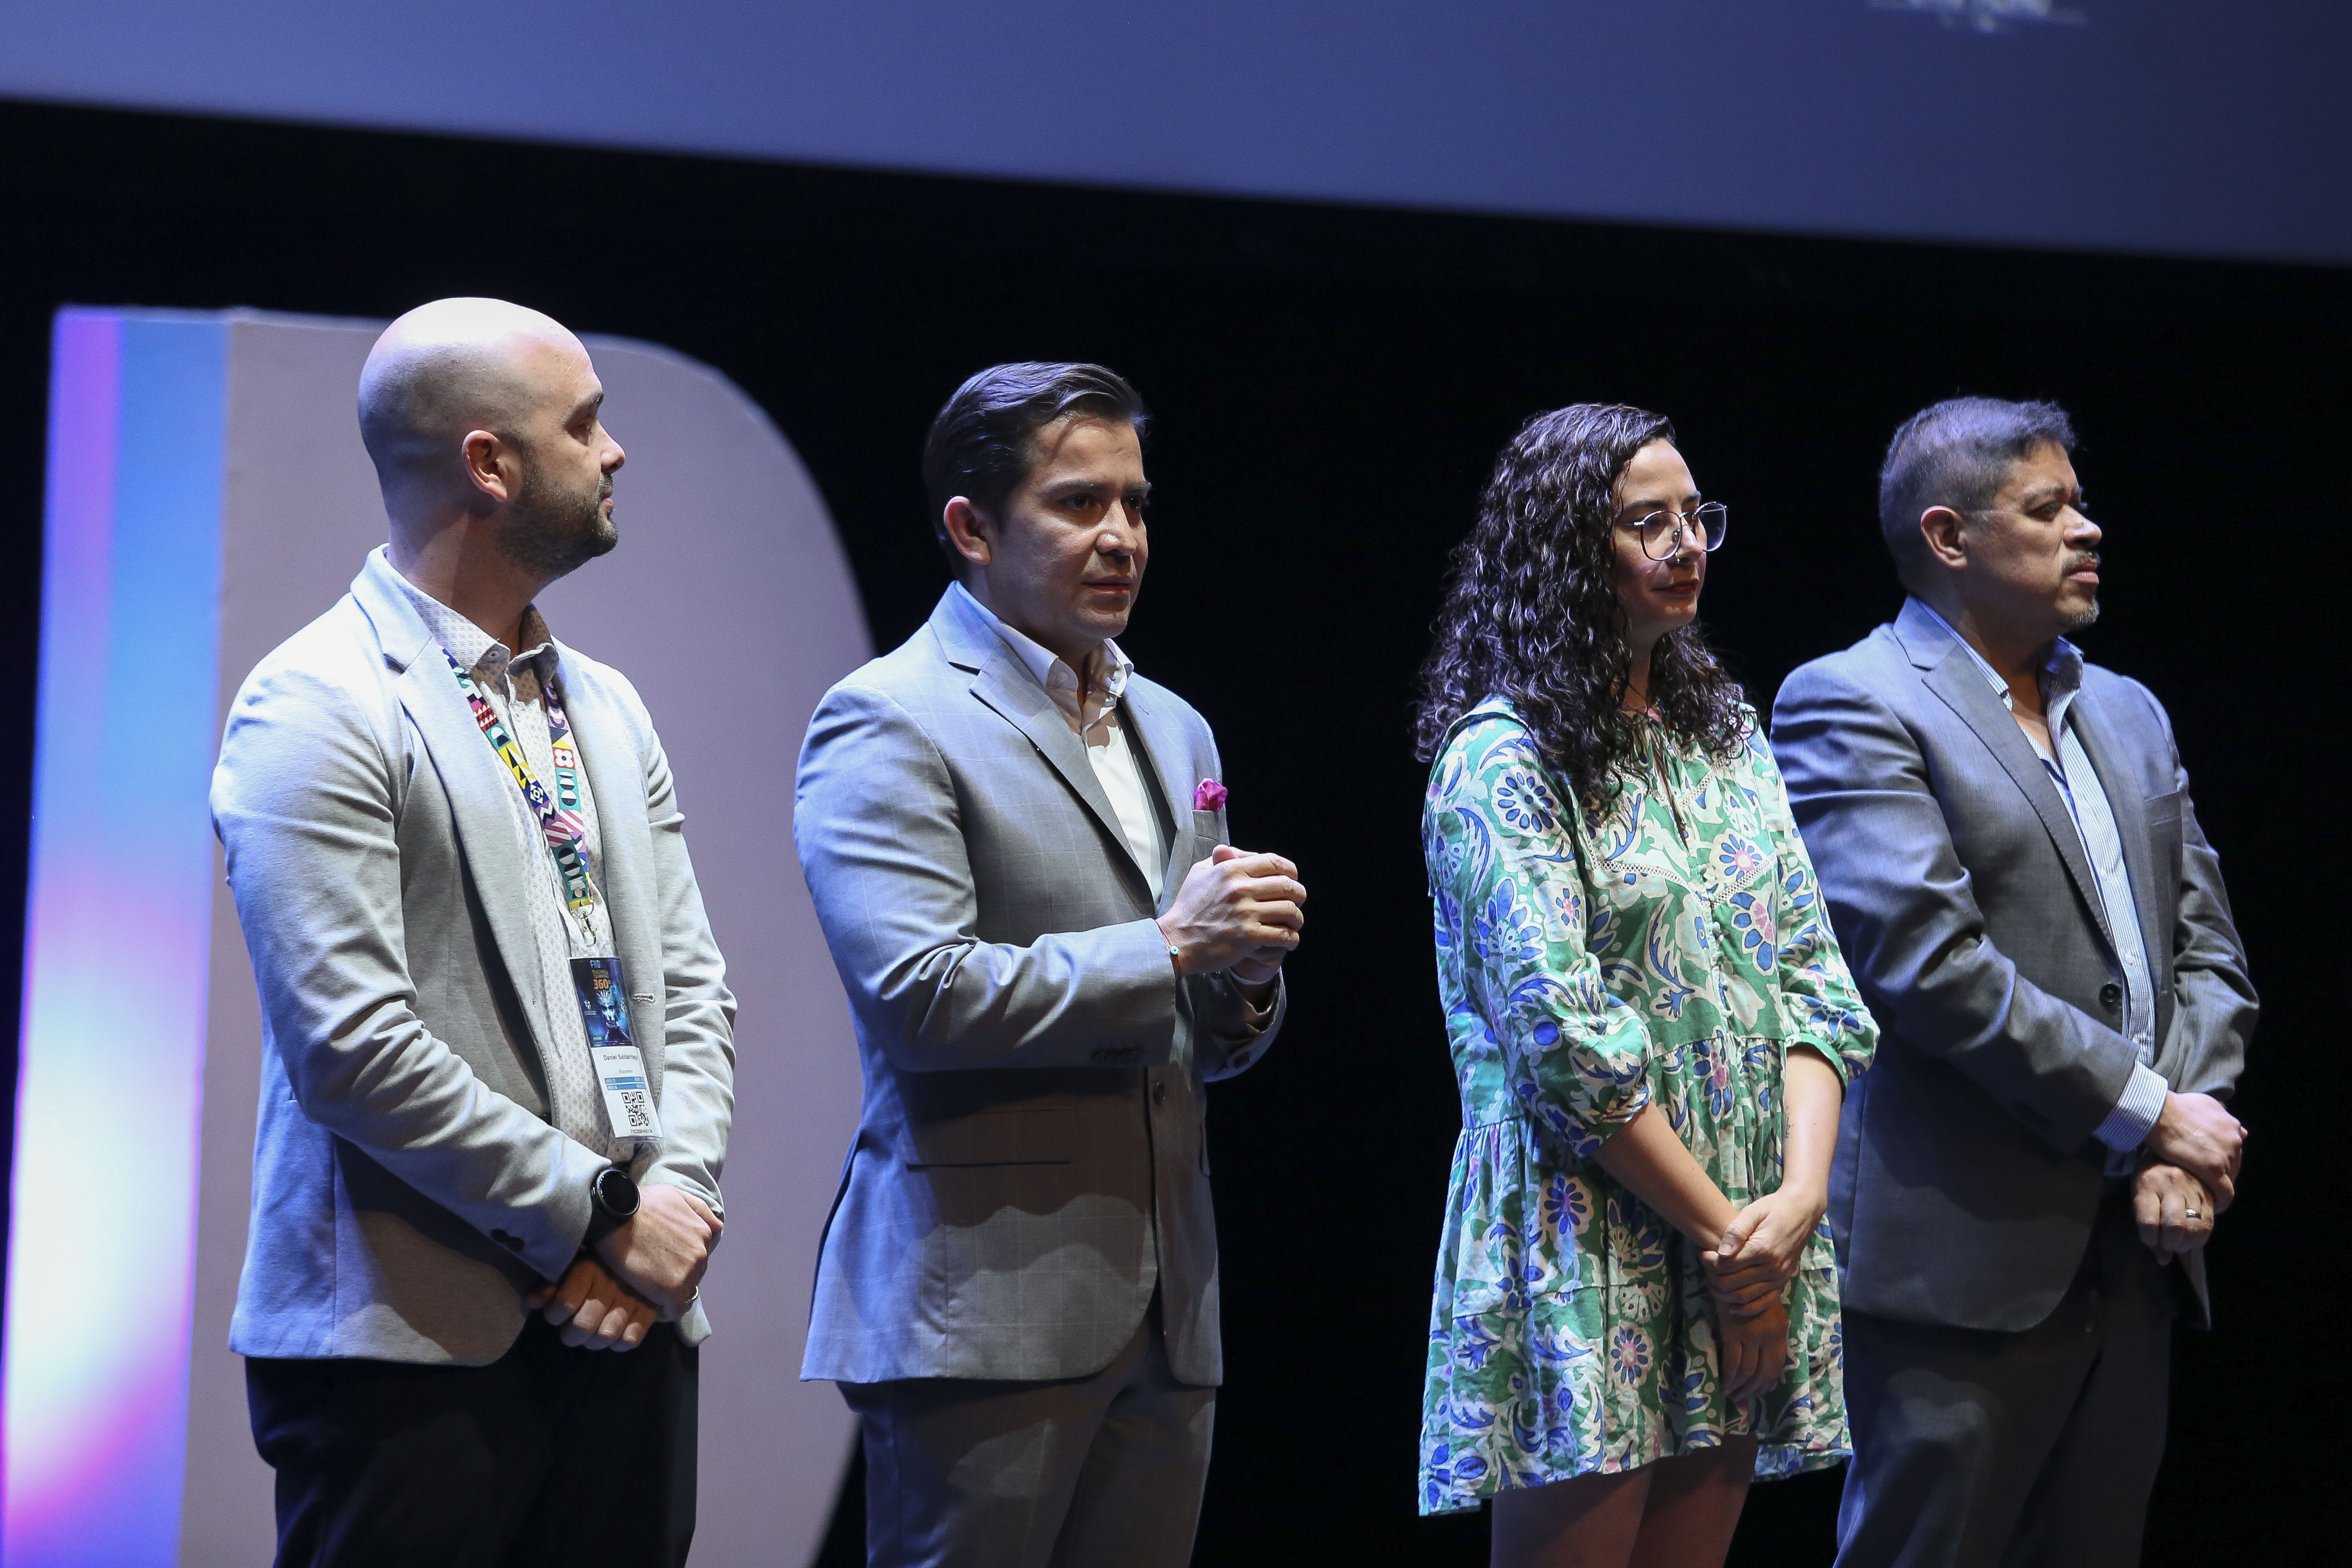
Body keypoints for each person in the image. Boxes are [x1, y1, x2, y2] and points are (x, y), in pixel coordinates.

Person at [211, 297, 735, 1566]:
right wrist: (596, 1213)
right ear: (489, 465)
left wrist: (671, 1199)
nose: (614, 451)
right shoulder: (315, 703)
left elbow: (689, 987)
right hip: (410, 1347)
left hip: (628, 1321)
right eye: (585, 425)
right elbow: (352, 1050)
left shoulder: (606, 706)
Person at [794, 362, 1303, 1568]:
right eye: (1079, 503)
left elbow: (1199, 1035)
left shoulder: (1174, 725)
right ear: (972, 529)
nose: (1121, 536)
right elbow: (922, 999)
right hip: (983, 1301)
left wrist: (1244, 979)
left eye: (1135, 503)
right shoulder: (888, 716)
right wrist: (1172, 942)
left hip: (1169, 1302)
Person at [1771, 397, 2257, 1568]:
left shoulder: (2127, 708)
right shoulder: (1853, 698)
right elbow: (1925, 965)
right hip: (1961, 1263)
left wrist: (2179, 1140)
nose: (2087, 529)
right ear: (1948, 537)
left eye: (2080, 503)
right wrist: (2150, 1112)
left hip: (2137, 1249)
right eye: (2048, 510)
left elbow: (2207, 952)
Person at [1413, 404, 1877, 1567]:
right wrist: (1738, 1253)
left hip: (1748, 1226)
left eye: (1695, 516)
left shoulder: (1722, 738)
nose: (1686, 544)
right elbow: (1562, 1042)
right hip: (1594, 1234)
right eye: (1645, 523)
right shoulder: (1502, 759)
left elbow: (1815, 984)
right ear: (1568, 550)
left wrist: (1793, 1208)